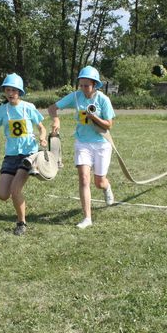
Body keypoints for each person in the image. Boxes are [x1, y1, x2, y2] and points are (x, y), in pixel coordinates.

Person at [0, 74, 46, 236]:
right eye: (7, 90)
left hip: (28, 155)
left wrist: (42, 137)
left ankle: (21, 223)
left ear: (20, 92)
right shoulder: (1, 111)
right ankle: (19, 206)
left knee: (15, 190)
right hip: (10, 156)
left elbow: (42, 127)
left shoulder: (29, 107)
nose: (10, 93)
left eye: (13, 90)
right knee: (3, 195)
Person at [48, 66, 116, 229]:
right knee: (84, 178)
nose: (83, 88)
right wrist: (56, 120)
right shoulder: (76, 97)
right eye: (81, 85)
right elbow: (52, 108)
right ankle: (87, 218)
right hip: (82, 143)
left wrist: (94, 117)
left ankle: (107, 188)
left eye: (87, 85)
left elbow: (109, 124)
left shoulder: (103, 100)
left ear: (95, 85)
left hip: (101, 144)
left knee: (99, 182)